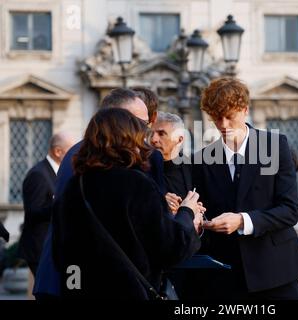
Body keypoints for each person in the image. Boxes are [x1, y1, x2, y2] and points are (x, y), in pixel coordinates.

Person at [52, 108, 202, 299]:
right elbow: (171, 248)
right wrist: (187, 213)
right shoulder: (136, 184)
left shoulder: (75, 186)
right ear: (129, 140)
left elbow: (61, 254)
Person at [33, 88, 161, 299]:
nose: (146, 132)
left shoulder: (81, 151)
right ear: (117, 119)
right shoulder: (102, 159)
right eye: (140, 123)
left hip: (63, 276)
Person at [193, 77, 298, 300]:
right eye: (217, 118)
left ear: (245, 110)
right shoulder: (201, 161)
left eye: (230, 116)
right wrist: (200, 223)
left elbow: (290, 210)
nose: (224, 125)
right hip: (226, 276)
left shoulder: (276, 146)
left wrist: (242, 221)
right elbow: (203, 215)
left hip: (276, 270)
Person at [18, 132, 75, 276]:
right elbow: (33, 212)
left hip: (54, 248)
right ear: (58, 151)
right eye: (71, 151)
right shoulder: (38, 174)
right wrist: (64, 204)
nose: (75, 156)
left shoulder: (60, 172)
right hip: (40, 250)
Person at [150, 112, 192, 213]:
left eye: (161, 134)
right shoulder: (142, 168)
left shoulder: (195, 169)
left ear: (179, 139)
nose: (153, 139)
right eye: (151, 134)